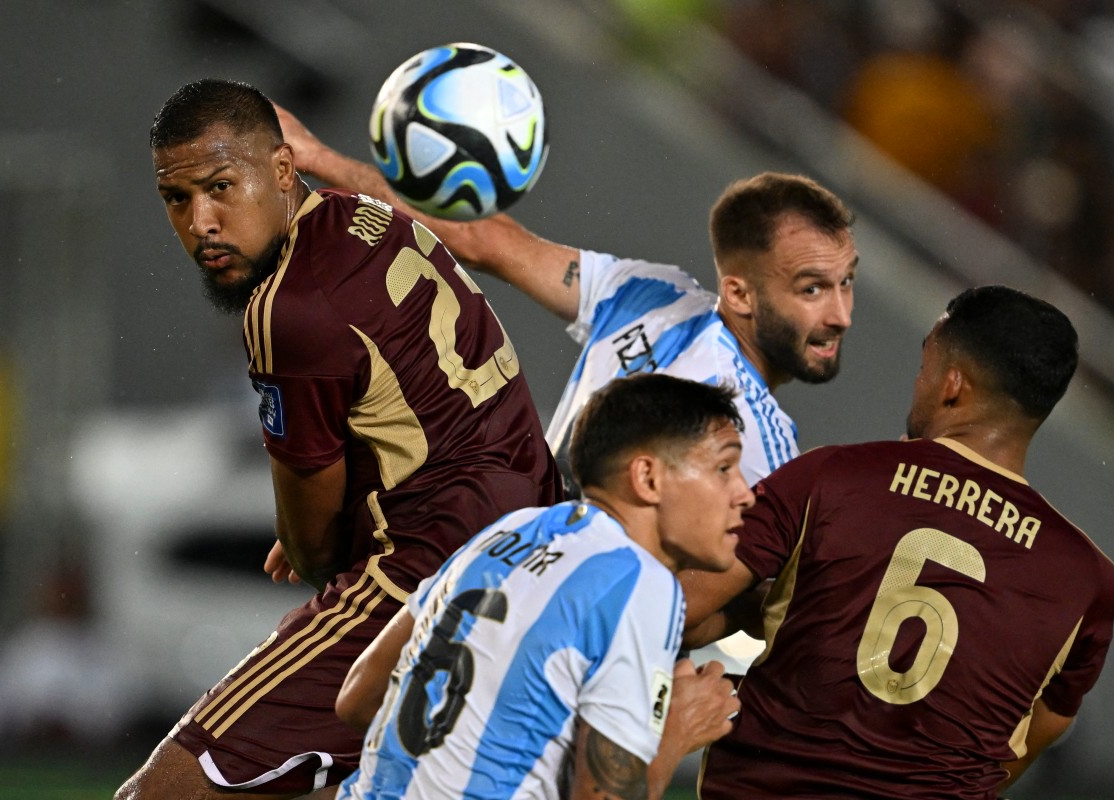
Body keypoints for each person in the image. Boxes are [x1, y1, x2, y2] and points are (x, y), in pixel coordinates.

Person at [275, 106, 859, 672]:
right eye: (813, 290)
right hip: (520, 644)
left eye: (846, 283)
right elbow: (679, 617)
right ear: (739, 294)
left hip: (476, 580)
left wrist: (321, 158)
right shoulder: (758, 440)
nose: (841, 315)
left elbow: (480, 237)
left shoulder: (653, 298)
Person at [118, 79, 562, 800]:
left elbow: (312, 547)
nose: (202, 221)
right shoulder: (369, 219)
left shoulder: (286, 308)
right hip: (533, 547)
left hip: (427, 576)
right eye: (178, 198)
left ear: (283, 172)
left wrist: (310, 529)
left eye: (221, 187)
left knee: (164, 792)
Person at [680, 285, 1114, 799]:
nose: (918, 383)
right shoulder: (1086, 579)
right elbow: (1022, 743)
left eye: (925, 366)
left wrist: (753, 609)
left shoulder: (833, 477)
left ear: (952, 385)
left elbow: (677, 607)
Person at [333, 372, 751, 800]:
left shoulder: (511, 530)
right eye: (724, 468)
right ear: (647, 478)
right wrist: (677, 732)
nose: (744, 494)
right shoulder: (642, 582)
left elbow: (358, 698)